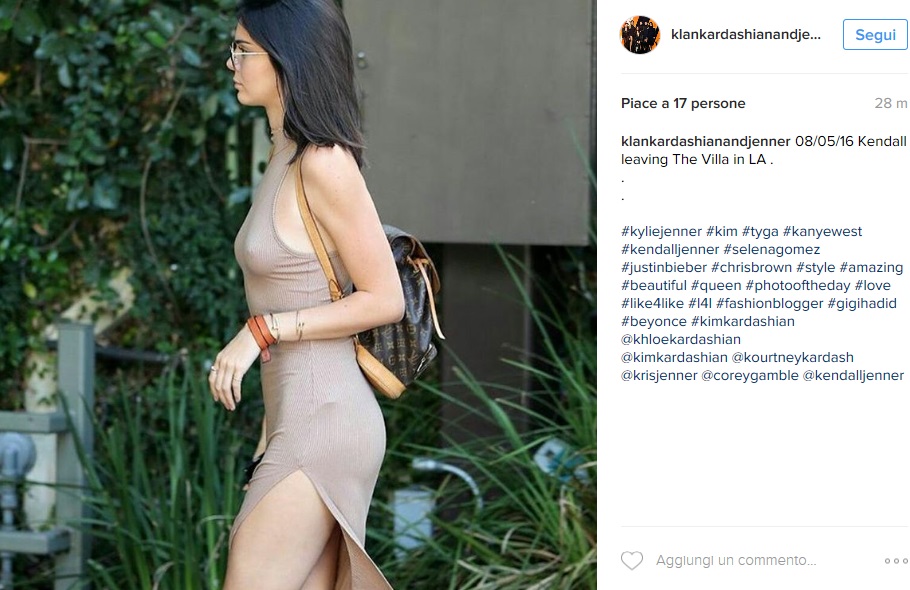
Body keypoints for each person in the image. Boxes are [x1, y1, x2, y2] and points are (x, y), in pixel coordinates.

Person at [208, 1, 404, 588]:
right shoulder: (285, 154)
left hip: (325, 418)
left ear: (285, 58)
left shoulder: (324, 161)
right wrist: (267, 438)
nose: (231, 62)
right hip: (298, 417)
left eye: (243, 50)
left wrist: (261, 331)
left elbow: (384, 298)